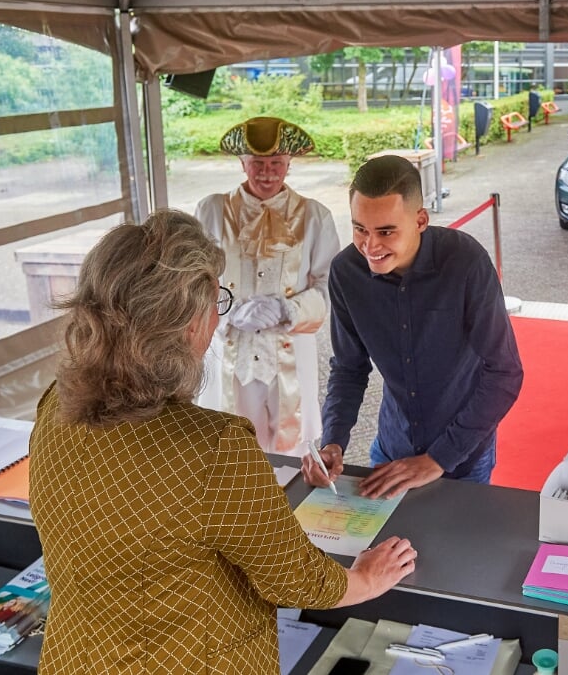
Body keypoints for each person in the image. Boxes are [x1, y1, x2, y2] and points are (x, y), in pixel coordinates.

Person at [28, 210, 416, 675]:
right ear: (187, 324)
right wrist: (364, 579)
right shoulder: (214, 447)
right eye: (217, 301)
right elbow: (294, 580)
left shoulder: (54, 404)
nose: (217, 318)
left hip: (73, 657)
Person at [304, 155, 523, 499]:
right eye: (360, 228)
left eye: (386, 231)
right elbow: (348, 368)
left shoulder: (465, 262)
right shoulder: (347, 272)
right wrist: (333, 441)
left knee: (456, 552)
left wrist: (438, 458)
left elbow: (505, 372)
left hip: (464, 460)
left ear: (421, 219)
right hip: (391, 452)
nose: (370, 246)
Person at [195, 116, 341, 455]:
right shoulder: (211, 211)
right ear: (242, 163)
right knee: (227, 448)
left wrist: (286, 309)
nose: (267, 172)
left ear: (289, 165)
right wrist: (228, 313)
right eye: (257, 163)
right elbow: (192, 281)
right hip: (230, 350)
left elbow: (329, 284)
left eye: (276, 163)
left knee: (290, 453)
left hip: (288, 352)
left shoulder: (315, 216)